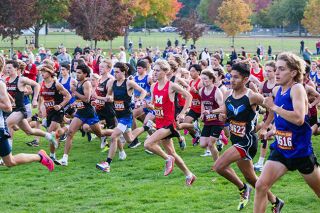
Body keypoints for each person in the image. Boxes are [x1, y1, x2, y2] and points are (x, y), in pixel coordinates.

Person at [254, 52, 320, 213]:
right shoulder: (277, 90)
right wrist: (273, 131)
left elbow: (298, 119)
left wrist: (274, 107)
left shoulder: (297, 88)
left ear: (293, 72)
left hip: (301, 153)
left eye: (281, 69)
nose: (276, 72)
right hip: (282, 150)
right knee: (261, 185)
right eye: (276, 68)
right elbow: (282, 119)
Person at [212, 62, 282, 211]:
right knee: (252, 178)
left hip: (247, 141)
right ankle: (276, 202)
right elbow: (226, 108)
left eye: (236, 77)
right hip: (236, 139)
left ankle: (243, 188)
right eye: (231, 76)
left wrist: (264, 127)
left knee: (218, 166)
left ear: (245, 79)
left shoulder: (252, 96)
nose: (232, 80)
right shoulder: (227, 94)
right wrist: (218, 114)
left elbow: (272, 109)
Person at [144, 59, 196, 186]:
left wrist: (183, 112)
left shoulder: (171, 86)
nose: (154, 73)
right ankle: (189, 175)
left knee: (148, 144)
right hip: (160, 123)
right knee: (172, 152)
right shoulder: (153, 86)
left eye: (157, 70)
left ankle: (168, 159)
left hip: (169, 124)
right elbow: (155, 105)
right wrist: (149, 106)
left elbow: (189, 96)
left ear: (165, 72)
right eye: (154, 70)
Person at [0, 55, 54, 171]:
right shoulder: (5, 81)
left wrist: (34, 99)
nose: (8, 70)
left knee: (8, 124)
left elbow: (36, 85)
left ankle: (9, 150)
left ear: (16, 69)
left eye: (10, 68)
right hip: (11, 112)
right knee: (29, 131)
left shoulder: (21, 79)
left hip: (20, 110)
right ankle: (48, 138)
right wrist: (11, 98)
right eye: (7, 68)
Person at [56, 64, 111, 166]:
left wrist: (75, 92)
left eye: (79, 73)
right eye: (76, 72)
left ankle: (117, 133)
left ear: (85, 74)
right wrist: (75, 102)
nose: (77, 74)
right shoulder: (78, 83)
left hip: (89, 114)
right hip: (80, 113)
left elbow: (87, 99)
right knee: (70, 133)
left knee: (101, 133)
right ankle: (64, 159)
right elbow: (79, 99)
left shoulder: (87, 84)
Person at [38, 64, 71, 161]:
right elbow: (41, 97)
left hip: (58, 111)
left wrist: (60, 105)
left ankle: (68, 127)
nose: (42, 74)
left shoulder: (56, 84)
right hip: (49, 112)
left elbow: (68, 96)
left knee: (49, 133)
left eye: (44, 72)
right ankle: (52, 156)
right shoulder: (42, 84)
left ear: (50, 72)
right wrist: (40, 108)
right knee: (53, 135)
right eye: (41, 72)